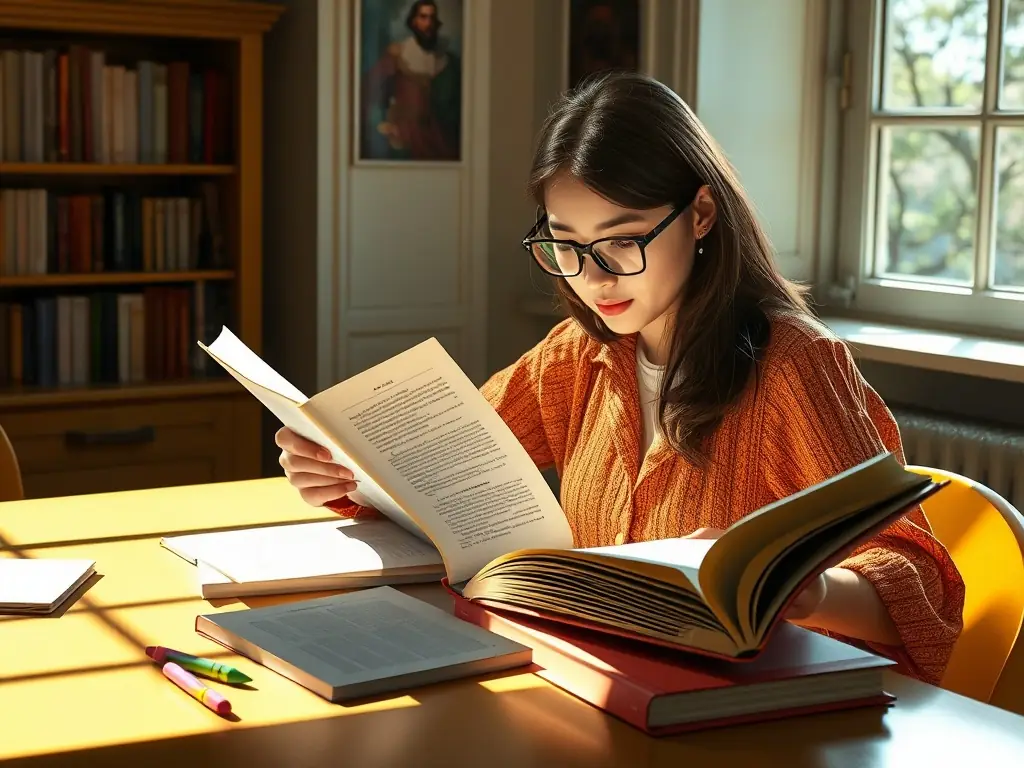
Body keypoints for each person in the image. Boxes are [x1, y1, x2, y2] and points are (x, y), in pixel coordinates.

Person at [277, 71, 965, 685]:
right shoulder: (576, 355)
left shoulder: (795, 366)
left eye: (622, 240)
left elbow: (922, 585)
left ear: (700, 214)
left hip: (759, 716)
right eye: (566, 245)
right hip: (606, 687)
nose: (594, 277)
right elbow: (442, 474)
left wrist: (788, 586)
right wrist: (345, 471)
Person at [359, 0, 461, 161]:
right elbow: (370, 90)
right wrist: (381, 123)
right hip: (406, 139)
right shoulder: (397, 56)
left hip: (439, 140)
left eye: (432, 18)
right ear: (413, 21)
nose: (428, 24)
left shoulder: (448, 61)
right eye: (423, 17)